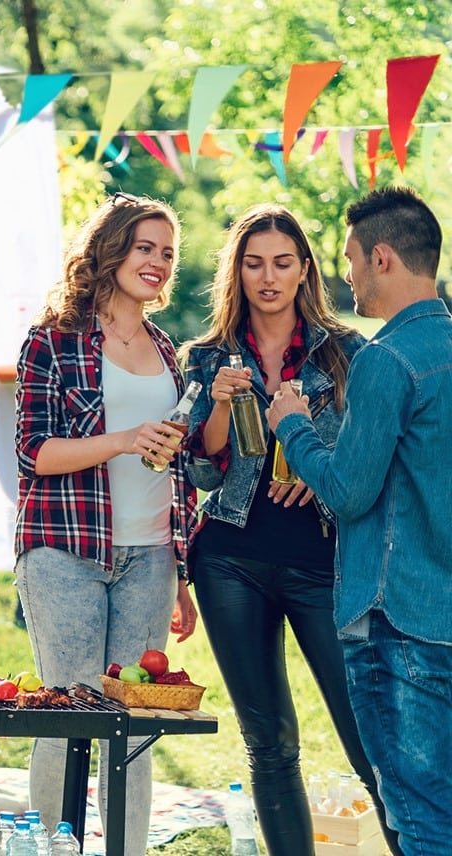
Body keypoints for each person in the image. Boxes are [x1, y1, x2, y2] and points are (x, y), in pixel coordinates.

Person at [179, 204, 398, 856]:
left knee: (368, 735)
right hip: (229, 561)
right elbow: (200, 470)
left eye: (281, 262)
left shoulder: (349, 353)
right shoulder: (208, 357)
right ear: (237, 271)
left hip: (322, 561)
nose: (267, 277)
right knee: (269, 741)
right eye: (253, 264)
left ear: (305, 269)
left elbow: (373, 458)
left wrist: (318, 468)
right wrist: (218, 403)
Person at [268, 186, 452, 855]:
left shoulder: (385, 358)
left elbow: (347, 491)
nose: (343, 275)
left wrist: (294, 426)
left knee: (422, 821)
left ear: (381, 258)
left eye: (347, 258)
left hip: (395, 623)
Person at [14, 192, 197, 854]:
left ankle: (127, 848)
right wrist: (121, 440)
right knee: (68, 712)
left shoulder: (167, 348)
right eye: (144, 248)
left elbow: (177, 469)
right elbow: (34, 453)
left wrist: (181, 572)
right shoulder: (53, 340)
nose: (157, 262)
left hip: (150, 557)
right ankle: (51, 847)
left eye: (167, 253)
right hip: (65, 552)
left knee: (137, 720)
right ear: (111, 250)